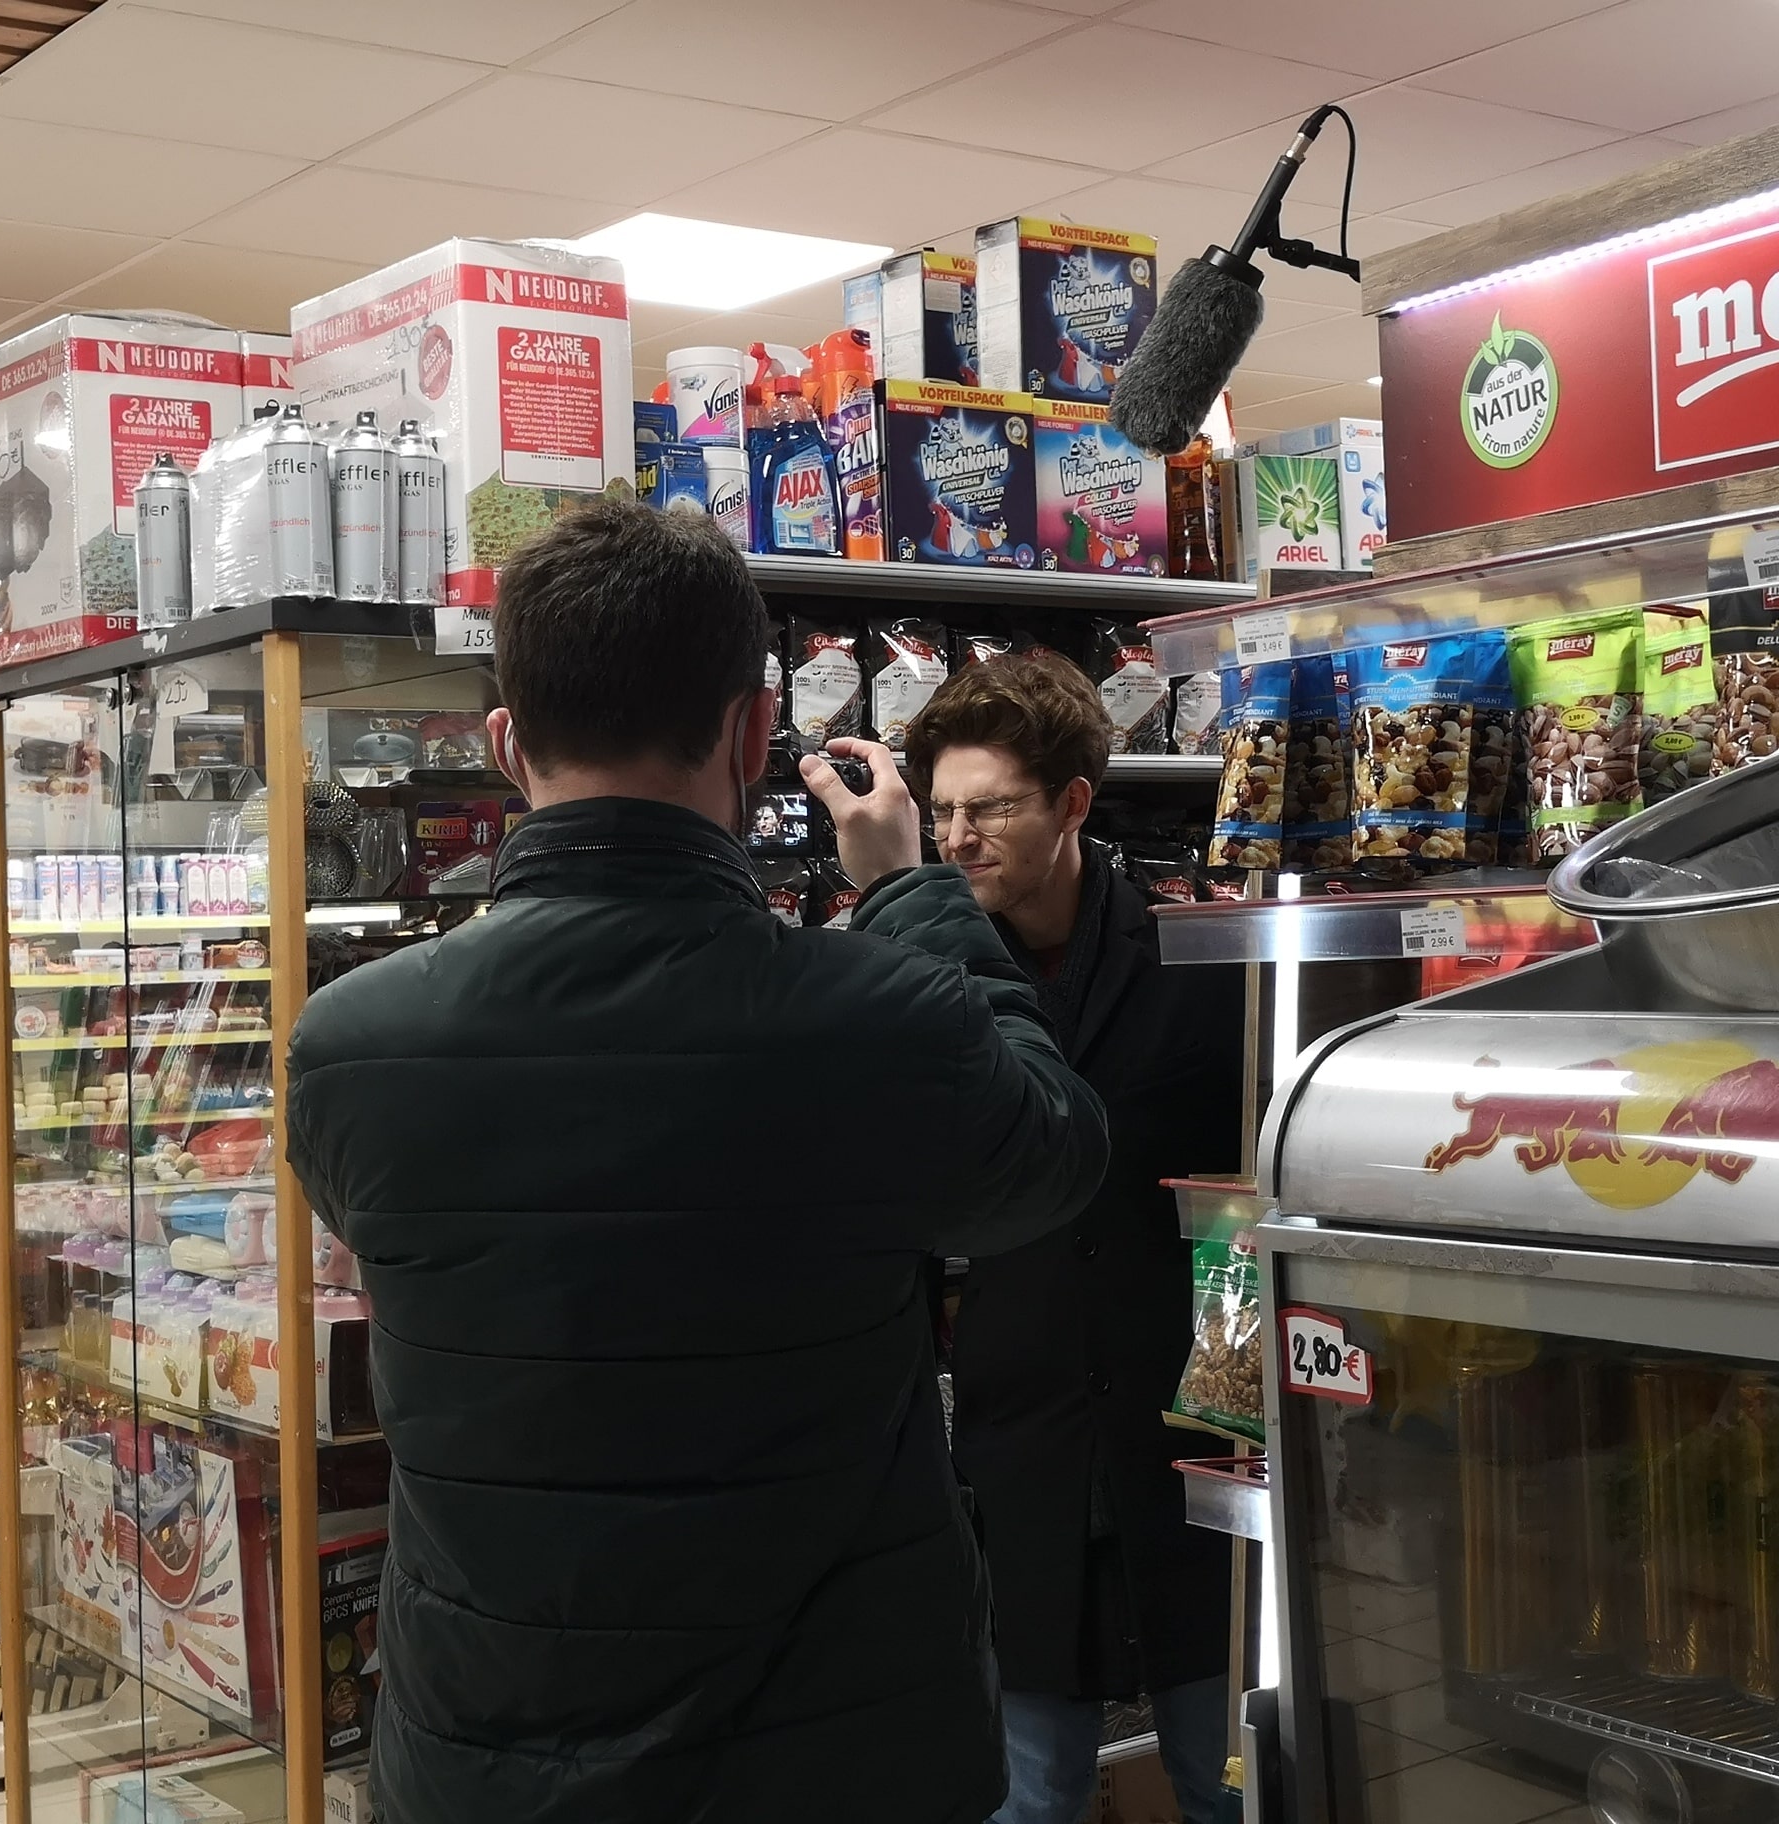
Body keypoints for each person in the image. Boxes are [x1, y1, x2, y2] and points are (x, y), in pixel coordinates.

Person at [285, 501, 1110, 1824]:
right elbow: (1053, 1158)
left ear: (506, 744)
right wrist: (912, 896)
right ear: (752, 730)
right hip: (840, 1760)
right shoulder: (882, 1018)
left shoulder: (350, 1047)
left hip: (485, 1760)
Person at [903, 654, 1245, 1824]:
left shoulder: (1199, 958)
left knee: (1226, 1773)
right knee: (1025, 1791)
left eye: (989, 807)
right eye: (943, 810)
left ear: (1074, 806)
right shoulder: (931, 980)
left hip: (1191, 1431)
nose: (957, 837)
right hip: (1024, 1447)